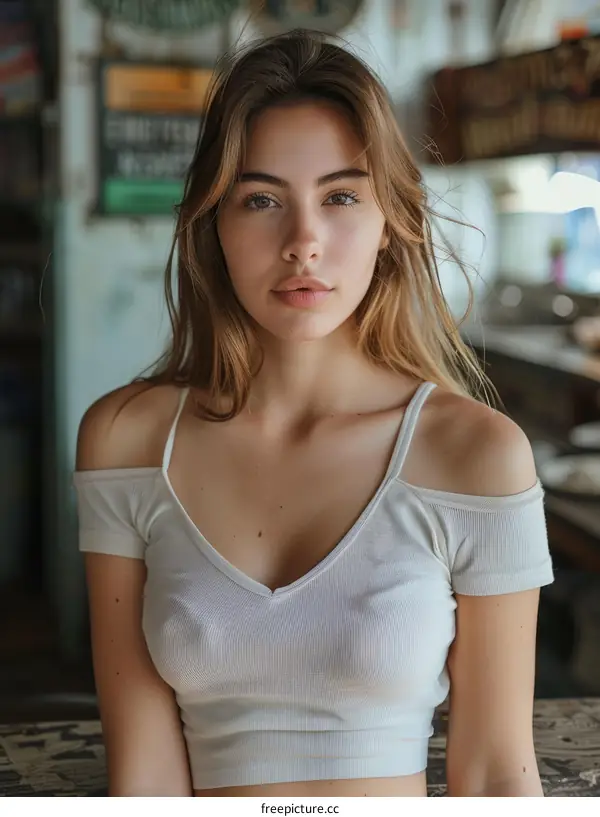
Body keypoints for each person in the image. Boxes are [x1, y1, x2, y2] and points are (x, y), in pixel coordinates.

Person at [73, 29, 554, 798]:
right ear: (213, 223)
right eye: (261, 199)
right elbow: (144, 778)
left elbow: (497, 773)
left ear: (391, 222)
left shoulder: (475, 455)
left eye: (340, 197)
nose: (303, 242)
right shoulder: (128, 440)